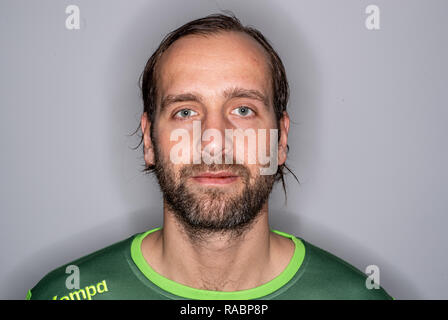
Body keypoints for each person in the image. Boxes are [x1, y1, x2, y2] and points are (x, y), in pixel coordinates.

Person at [26, 13, 393, 300]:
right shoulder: (61, 295)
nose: (214, 141)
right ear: (149, 140)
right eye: (185, 112)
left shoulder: (359, 297)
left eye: (243, 110)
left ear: (280, 140)